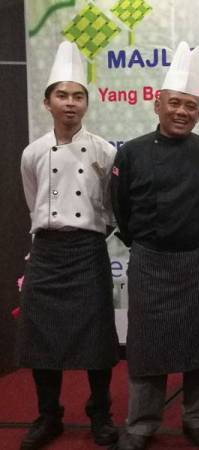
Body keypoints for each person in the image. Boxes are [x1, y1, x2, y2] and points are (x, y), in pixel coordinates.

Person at [110, 42, 199, 450]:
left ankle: (197, 419)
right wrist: (143, 244)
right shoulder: (132, 152)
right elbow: (119, 208)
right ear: (157, 104)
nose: (182, 112)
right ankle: (142, 424)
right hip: (151, 260)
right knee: (147, 347)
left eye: (191, 106)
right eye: (175, 103)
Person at [17, 41, 120, 449]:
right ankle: (49, 415)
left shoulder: (104, 150)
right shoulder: (33, 153)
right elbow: (33, 200)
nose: (71, 103)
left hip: (87, 250)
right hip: (46, 250)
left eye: (78, 96)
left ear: (87, 103)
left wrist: (93, 230)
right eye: (62, 95)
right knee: (41, 338)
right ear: (47, 103)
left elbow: (110, 206)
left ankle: (101, 414)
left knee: (97, 340)